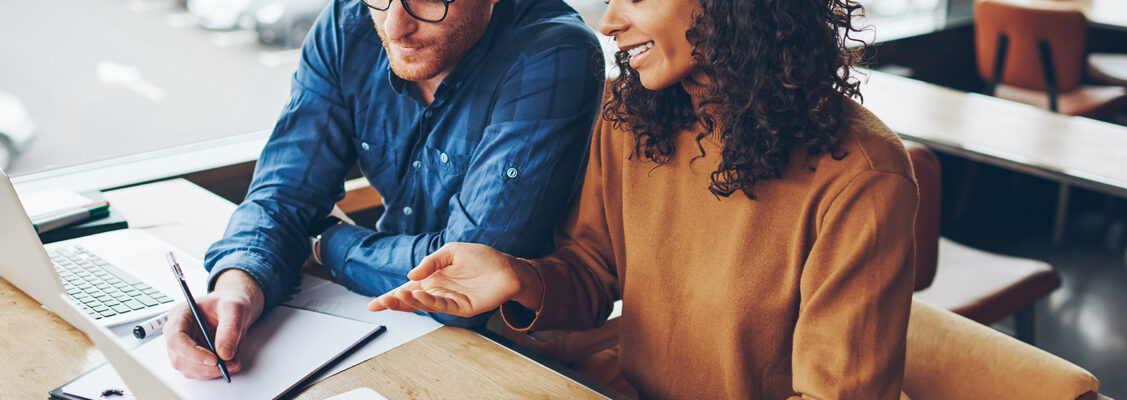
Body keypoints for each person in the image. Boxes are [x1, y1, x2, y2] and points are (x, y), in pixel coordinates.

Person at [368, 0, 919, 397]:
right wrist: (518, 277)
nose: (607, 22)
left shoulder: (863, 177)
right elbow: (590, 272)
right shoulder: (633, 116)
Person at [163, 0, 603, 380]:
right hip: (377, 317)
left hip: (516, 348)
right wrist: (237, 287)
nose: (394, 27)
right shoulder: (348, 21)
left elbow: (460, 285)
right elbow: (283, 193)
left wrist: (322, 242)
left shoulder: (553, 53)